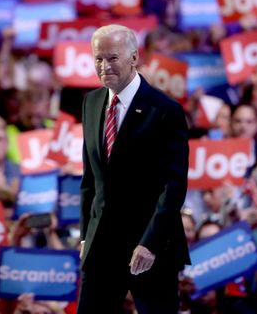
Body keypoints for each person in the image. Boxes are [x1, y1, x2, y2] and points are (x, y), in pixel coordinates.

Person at [78, 24, 190, 313]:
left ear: (134, 58)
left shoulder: (165, 110)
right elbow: (90, 179)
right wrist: (84, 236)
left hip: (149, 246)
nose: (104, 66)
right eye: (98, 59)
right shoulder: (91, 103)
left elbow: (174, 185)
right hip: (101, 243)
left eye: (112, 58)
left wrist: (149, 244)